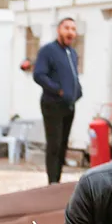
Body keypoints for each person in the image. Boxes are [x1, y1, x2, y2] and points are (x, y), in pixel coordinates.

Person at [33, 18, 82, 185]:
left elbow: (73, 76)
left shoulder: (72, 53)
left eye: (73, 29)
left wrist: (78, 92)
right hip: (52, 104)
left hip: (69, 105)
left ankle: (57, 180)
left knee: (63, 145)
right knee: (54, 145)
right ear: (59, 30)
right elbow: (39, 75)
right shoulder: (48, 50)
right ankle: (52, 182)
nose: (70, 32)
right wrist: (58, 90)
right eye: (67, 28)